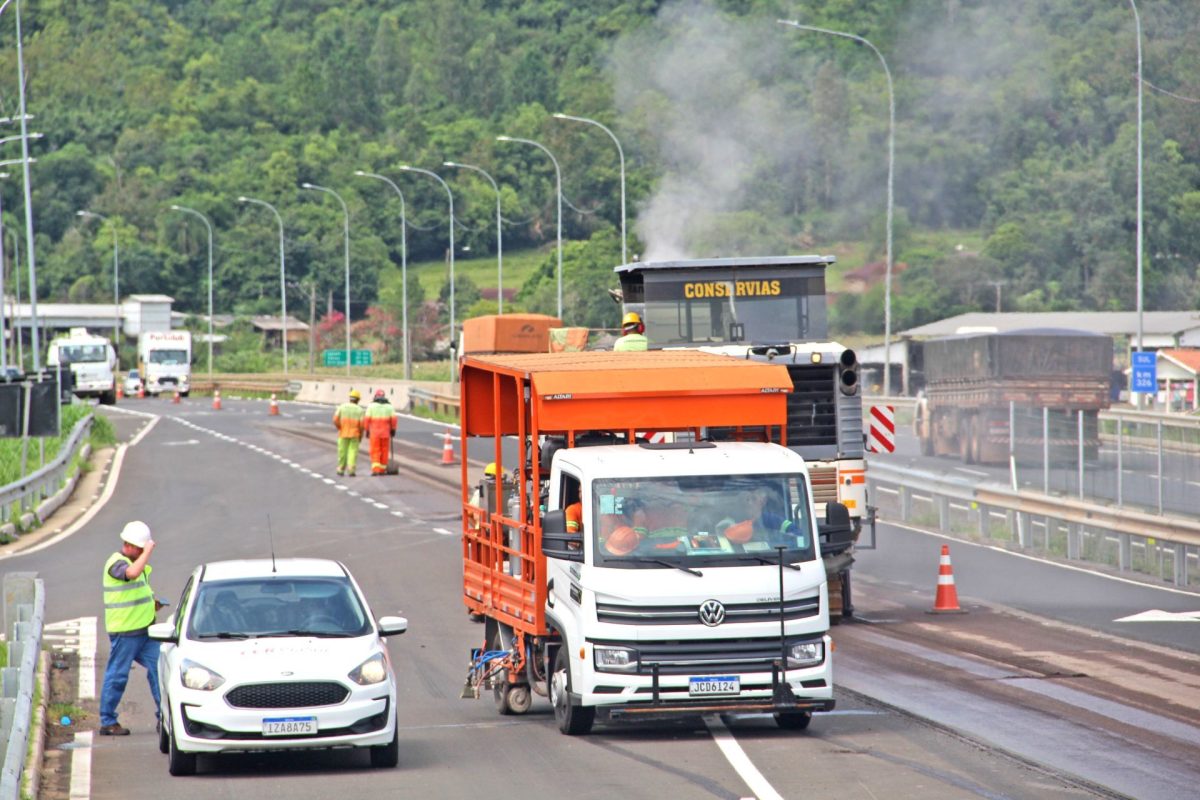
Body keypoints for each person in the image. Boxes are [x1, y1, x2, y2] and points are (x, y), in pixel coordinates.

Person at [99, 520, 163, 736]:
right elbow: (132, 574)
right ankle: (107, 721)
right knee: (117, 676)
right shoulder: (116, 563)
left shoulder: (136, 562)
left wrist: (153, 603)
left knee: (160, 670)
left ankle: (165, 717)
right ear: (134, 546)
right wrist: (148, 552)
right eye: (141, 548)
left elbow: (136, 590)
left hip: (145, 631)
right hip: (125, 632)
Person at [722, 486, 794, 546]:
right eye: (747, 500)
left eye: (753, 499)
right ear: (739, 503)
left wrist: (789, 536)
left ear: (762, 502)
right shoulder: (728, 522)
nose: (749, 503)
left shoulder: (772, 519)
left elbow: (797, 533)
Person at [364, 389, 398, 476]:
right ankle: (382, 469)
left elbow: (367, 420)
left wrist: (367, 430)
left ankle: (376, 469)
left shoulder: (371, 406)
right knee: (384, 450)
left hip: (374, 434)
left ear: (375, 397)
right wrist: (393, 430)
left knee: (375, 451)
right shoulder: (389, 407)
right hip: (385, 434)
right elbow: (394, 420)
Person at [333, 389, 365, 476]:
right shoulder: (360, 410)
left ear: (350, 398)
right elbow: (362, 425)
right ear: (358, 400)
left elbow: (335, 419)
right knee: (352, 452)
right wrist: (361, 435)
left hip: (343, 433)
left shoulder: (342, 407)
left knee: (342, 452)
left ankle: (340, 469)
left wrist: (340, 427)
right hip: (355, 434)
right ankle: (351, 470)